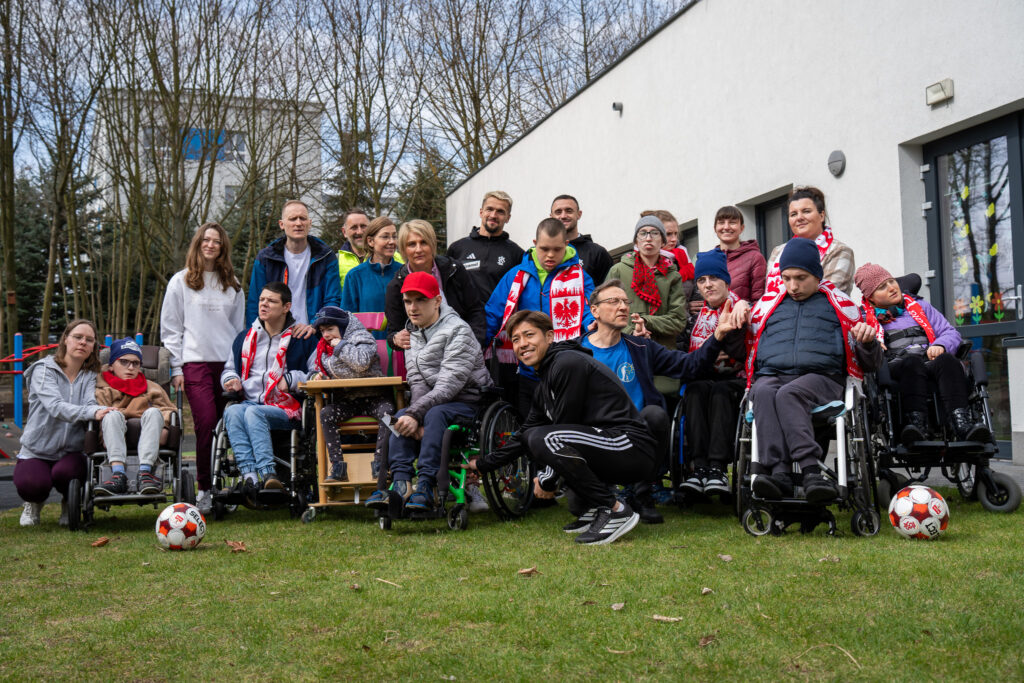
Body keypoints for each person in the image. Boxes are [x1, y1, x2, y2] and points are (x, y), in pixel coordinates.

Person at [468, 311, 658, 545]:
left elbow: (563, 426)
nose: (522, 344)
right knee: (573, 498)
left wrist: (547, 479)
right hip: (605, 448)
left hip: (630, 447)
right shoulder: (544, 383)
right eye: (516, 339)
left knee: (541, 438)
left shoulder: (567, 363)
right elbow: (523, 434)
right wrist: (483, 464)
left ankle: (615, 510)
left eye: (529, 335)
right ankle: (597, 508)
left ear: (549, 336)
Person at [581, 279, 740, 522]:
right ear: (595, 311)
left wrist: (717, 336)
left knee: (655, 414)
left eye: (625, 301)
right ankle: (601, 494)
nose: (623, 307)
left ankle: (642, 495)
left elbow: (690, 365)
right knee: (577, 507)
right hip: (593, 435)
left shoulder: (641, 347)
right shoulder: (577, 352)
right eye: (614, 301)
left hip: (635, 435)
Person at [746, 238, 882, 502]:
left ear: (817, 276)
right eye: (786, 278)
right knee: (762, 391)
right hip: (773, 375)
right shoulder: (767, 307)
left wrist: (867, 343)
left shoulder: (841, 306)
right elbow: (746, 349)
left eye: (801, 278)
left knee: (789, 393)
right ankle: (779, 474)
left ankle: (811, 472)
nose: (793, 286)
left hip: (823, 379)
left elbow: (870, 363)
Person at [366, 272, 494, 512]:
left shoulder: (459, 330)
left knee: (433, 414)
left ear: (437, 301)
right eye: (407, 301)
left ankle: (425, 483)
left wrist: (417, 415)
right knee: (397, 416)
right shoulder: (412, 333)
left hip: (469, 401)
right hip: (435, 404)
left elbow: (449, 384)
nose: (412, 308)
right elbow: (417, 382)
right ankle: (401, 484)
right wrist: (414, 417)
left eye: (420, 300)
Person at [160, 221, 245, 513]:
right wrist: (175, 368)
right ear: (198, 244)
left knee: (228, 426)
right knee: (206, 423)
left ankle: (229, 484)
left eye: (216, 241)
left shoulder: (232, 284)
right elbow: (171, 329)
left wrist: (238, 369)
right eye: (206, 240)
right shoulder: (180, 282)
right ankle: (205, 489)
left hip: (227, 365)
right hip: (194, 363)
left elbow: (239, 331)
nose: (211, 245)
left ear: (223, 248)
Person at [855, 263, 990, 444]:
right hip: (896, 366)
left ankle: (962, 425)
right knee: (912, 363)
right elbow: (865, 356)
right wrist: (869, 343)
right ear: (870, 297)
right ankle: (916, 425)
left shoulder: (920, 306)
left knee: (948, 360)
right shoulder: (864, 319)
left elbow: (950, 332)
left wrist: (941, 345)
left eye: (891, 281)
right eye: (882, 287)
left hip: (928, 360)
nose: (891, 288)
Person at [485, 218, 595, 417]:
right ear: (535, 244)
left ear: (566, 245)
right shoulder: (515, 275)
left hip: (565, 369)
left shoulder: (580, 277)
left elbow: (588, 310)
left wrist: (591, 324)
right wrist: (478, 347)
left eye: (557, 249)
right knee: (529, 424)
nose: (550, 255)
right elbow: (493, 314)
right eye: (544, 249)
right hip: (528, 369)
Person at [221, 282, 319, 500]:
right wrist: (231, 380)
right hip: (249, 403)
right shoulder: (244, 338)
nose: (263, 304)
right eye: (262, 300)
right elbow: (229, 369)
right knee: (232, 411)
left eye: (271, 301)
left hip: (286, 408)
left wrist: (291, 379)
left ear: (286, 307)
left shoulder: (302, 339)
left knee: (252, 412)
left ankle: (268, 474)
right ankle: (249, 477)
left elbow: (317, 374)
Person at [14, 320, 109, 526]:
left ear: (93, 346)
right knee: (32, 485)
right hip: (37, 450)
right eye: (78, 337)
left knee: (70, 474)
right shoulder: (43, 369)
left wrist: (97, 409)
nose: (83, 342)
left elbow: (90, 403)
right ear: (65, 339)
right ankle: (34, 503)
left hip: (71, 450)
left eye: (89, 340)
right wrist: (93, 412)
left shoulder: (90, 375)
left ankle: (69, 502)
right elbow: (55, 407)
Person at [677, 250, 749, 497]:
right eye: (701, 280)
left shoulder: (742, 310)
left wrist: (723, 340)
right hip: (704, 378)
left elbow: (741, 354)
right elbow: (688, 357)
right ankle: (699, 467)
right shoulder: (695, 318)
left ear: (726, 282)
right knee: (695, 390)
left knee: (720, 391)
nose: (707, 285)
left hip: (737, 381)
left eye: (714, 278)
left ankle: (717, 468)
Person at [606, 215, 689, 402]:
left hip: (660, 358)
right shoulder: (618, 271)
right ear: (636, 241)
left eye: (654, 233)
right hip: (624, 354)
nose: (648, 238)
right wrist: (632, 331)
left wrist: (646, 321)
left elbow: (678, 320)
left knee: (660, 410)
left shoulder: (672, 276)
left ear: (663, 241)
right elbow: (606, 314)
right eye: (643, 233)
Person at [308, 306, 395, 483]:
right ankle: (338, 467)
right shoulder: (323, 348)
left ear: (342, 327)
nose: (326, 335)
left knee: (390, 415)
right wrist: (316, 376)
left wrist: (340, 345)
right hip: (347, 401)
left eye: (330, 329)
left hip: (375, 397)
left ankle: (381, 465)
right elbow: (314, 368)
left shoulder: (363, 338)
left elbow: (361, 362)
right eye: (323, 331)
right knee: (325, 414)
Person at [385, 219, 486, 350]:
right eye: (411, 244)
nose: (418, 249)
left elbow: (475, 310)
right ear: (403, 249)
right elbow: (393, 333)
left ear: (432, 244)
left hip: (462, 346)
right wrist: (396, 339)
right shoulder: (396, 285)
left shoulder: (454, 270)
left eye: (424, 242)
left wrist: (474, 343)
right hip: (422, 353)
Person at [93, 339, 177, 496]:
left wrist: (164, 425)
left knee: (154, 413)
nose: (131, 367)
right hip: (113, 432)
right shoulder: (102, 389)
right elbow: (97, 413)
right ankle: (118, 474)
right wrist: (129, 413)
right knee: (111, 415)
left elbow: (169, 410)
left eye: (135, 363)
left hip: (150, 430)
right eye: (124, 362)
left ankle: (145, 473)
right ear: (111, 365)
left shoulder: (152, 387)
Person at [246, 200, 341, 336]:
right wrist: (256, 335)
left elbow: (332, 299)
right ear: (281, 224)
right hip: (275, 335)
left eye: (303, 218)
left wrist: (315, 325)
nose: (298, 223)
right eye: (292, 219)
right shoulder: (266, 258)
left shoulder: (325, 256)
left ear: (310, 223)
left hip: (312, 333)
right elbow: (255, 301)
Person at [765, 186, 855, 296]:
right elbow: (767, 297)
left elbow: (828, 296)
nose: (799, 218)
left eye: (806, 211)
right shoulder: (778, 252)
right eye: (793, 214)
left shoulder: (839, 251)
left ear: (821, 216)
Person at [446, 190, 524, 296]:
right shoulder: (457, 248)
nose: (493, 215)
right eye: (489, 209)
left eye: (500, 212)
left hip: (498, 308)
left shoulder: (517, 254)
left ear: (508, 218)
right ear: (481, 212)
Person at [339, 217, 403, 336]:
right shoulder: (355, 276)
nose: (392, 241)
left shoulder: (404, 273)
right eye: (385, 237)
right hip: (367, 345)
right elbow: (347, 320)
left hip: (400, 345)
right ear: (370, 241)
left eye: (394, 236)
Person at [550, 194, 614, 284]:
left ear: (579, 214)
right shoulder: (543, 253)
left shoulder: (597, 253)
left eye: (569, 211)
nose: (563, 216)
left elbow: (610, 288)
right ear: (551, 217)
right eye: (558, 212)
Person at [712, 205, 766, 304]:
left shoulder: (755, 258)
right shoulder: (708, 259)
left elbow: (759, 301)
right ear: (715, 228)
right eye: (721, 222)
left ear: (742, 228)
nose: (726, 227)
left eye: (732, 222)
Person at [336, 208, 370, 290]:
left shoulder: (388, 256)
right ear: (344, 232)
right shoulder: (335, 261)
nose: (360, 232)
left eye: (363, 226)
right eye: (354, 227)